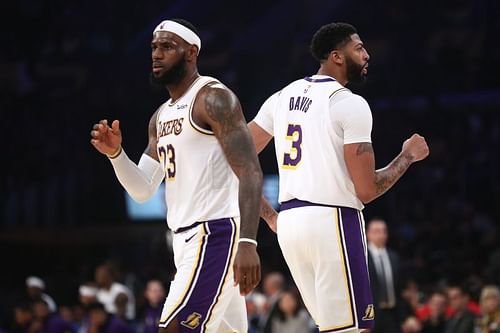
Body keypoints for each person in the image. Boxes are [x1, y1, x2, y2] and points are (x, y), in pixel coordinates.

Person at [248, 22, 429, 333]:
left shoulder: (282, 96)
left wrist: (269, 216)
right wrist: (407, 157)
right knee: (353, 329)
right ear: (337, 56)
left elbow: (237, 158)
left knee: (332, 327)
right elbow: (367, 190)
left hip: (290, 225)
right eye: (359, 48)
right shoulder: (349, 103)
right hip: (331, 220)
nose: (367, 54)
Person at [90, 18, 263, 333]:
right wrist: (116, 155)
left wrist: (248, 241)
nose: (157, 54)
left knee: (173, 328)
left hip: (215, 233)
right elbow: (143, 189)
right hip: (182, 242)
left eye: (167, 46)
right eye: (154, 47)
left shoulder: (213, 98)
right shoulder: (161, 116)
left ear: (191, 52)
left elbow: (250, 170)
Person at [366, 218, 403, 333]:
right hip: (372, 315)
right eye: (377, 231)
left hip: (392, 314)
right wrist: (363, 320)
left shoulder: (394, 257)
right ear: (368, 234)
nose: (381, 234)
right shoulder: (362, 257)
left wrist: (405, 316)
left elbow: (399, 290)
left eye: (384, 231)